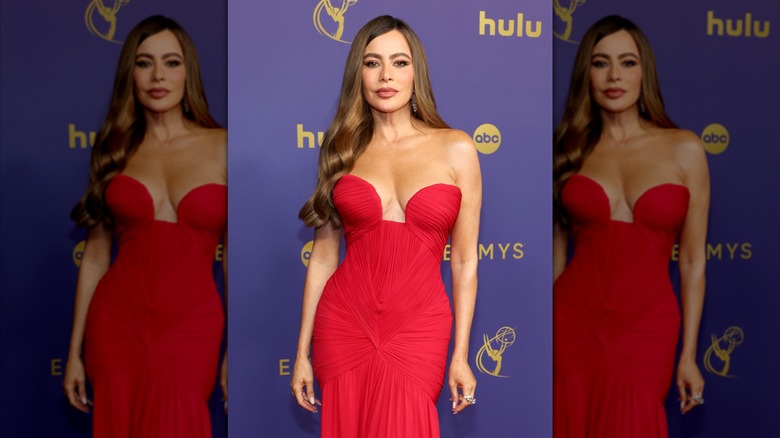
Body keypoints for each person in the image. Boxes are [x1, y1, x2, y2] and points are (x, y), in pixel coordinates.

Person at [290, 15, 482, 438]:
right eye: (372, 63)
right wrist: (301, 352)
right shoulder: (341, 149)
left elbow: (465, 260)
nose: (385, 75)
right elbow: (323, 258)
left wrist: (461, 353)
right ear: (358, 73)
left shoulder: (457, 148)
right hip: (345, 324)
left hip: (418, 328)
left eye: (399, 62)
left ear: (417, 72)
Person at [63, 15, 228, 437]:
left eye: (171, 62)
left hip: (191, 325)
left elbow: (234, 263)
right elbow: (96, 256)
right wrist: (74, 352)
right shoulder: (114, 148)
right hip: (117, 322)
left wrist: (236, 350)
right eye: (144, 63)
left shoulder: (222, 145)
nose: (158, 76)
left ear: (188, 71)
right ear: (130, 74)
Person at [553, 15, 709, 437]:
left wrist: (689, 354)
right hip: (573, 321)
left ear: (645, 72)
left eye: (627, 62)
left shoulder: (685, 149)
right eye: (601, 63)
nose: (614, 76)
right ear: (587, 73)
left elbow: (693, 261)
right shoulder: (568, 151)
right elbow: (556, 258)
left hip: (646, 326)